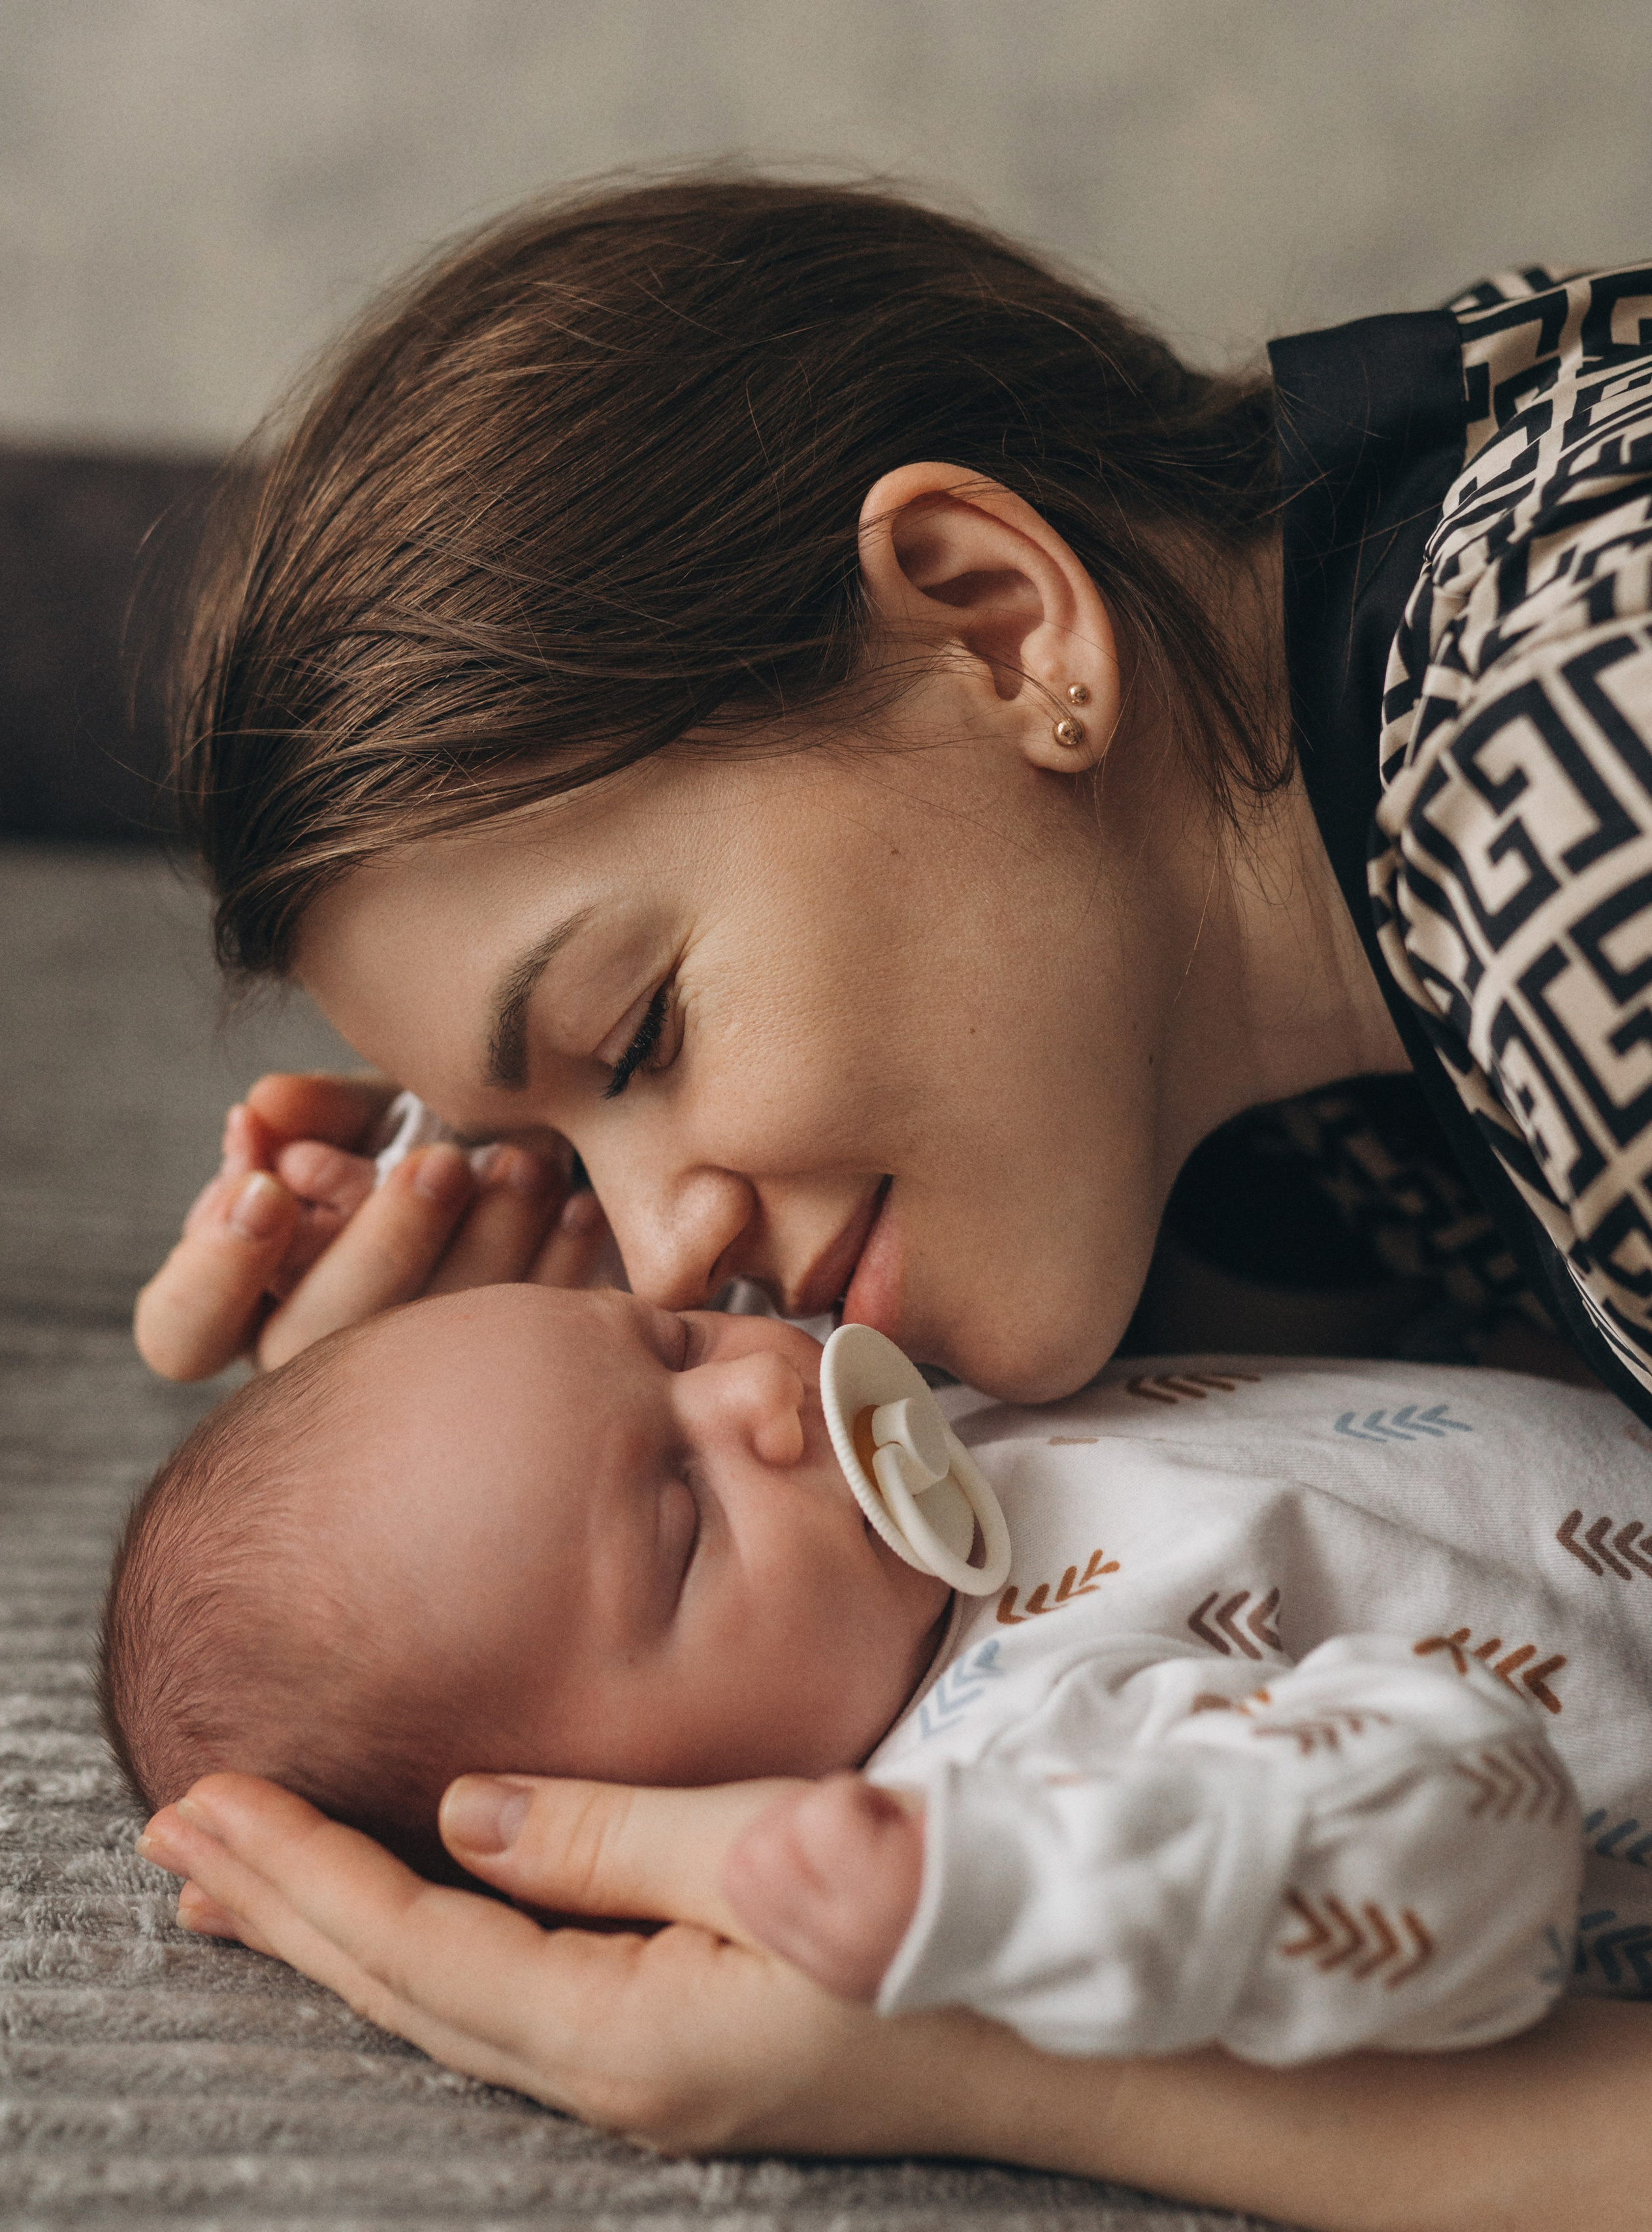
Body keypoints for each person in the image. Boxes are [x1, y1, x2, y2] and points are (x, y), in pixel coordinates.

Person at [127, 178, 1652, 2220]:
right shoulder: (1303, 975)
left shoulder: (1590, 804)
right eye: (560, 1153)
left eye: (642, 1028)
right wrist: (474, 1478)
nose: (675, 1248)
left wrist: (987, 2068)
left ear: (996, 623)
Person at [125, 1282, 1615, 2066]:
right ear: (610, 1830)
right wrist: (1010, 1890)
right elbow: (1468, 1864)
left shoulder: (915, 1449)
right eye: (680, 1515)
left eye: (669, 1334)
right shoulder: (1013, 1760)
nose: (762, 1387)